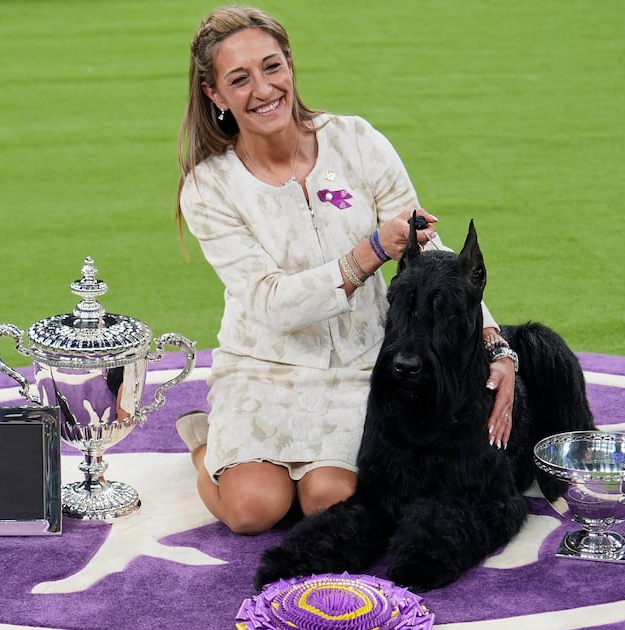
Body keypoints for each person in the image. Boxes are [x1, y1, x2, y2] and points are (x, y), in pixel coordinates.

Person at [176, 5, 519, 534]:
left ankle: (274, 466)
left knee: (331, 502)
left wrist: (495, 345)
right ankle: (205, 446)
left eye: (272, 67)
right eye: (239, 79)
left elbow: (431, 252)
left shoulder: (357, 140)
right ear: (215, 95)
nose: (263, 89)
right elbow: (271, 303)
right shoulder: (207, 187)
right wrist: (372, 251)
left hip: (362, 361)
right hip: (261, 365)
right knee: (252, 512)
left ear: (290, 66)